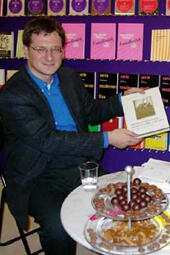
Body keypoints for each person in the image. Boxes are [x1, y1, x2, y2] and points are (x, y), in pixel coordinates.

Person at [0, 17, 142, 255]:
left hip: (78, 165)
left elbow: (90, 112)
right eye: (41, 49)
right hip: (38, 175)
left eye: (56, 49)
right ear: (26, 50)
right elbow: (48, 140)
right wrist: (107, 139)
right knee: (58, 226)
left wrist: (122, 100)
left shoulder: (68, 77)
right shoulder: (12, 94)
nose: (49, 57)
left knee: (123, 200)